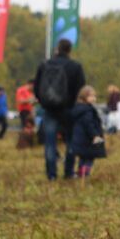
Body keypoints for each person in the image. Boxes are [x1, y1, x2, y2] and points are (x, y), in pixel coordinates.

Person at [33, 38, 87, 180]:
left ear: (57, 48)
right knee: (71, 141)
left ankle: (51, 174)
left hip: (50, 109)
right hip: (70, 109)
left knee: (50, 142)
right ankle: (68, 172)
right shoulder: (75, 66)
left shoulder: (44, 65)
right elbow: (81, 89)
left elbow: (37, 87)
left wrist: (44, 102)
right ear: (69, 50)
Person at [69, 85, 107, 182]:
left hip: (80, 139)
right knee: (89, 157)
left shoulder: (79, 109)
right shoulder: (88, 111)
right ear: (84, 97)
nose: (93, 98)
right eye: (91, 96)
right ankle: (84, 174)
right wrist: (95, 135)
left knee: (83, 157)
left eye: (94, 96)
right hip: (88, 139)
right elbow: (89, 124)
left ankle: (81, 173)